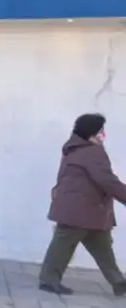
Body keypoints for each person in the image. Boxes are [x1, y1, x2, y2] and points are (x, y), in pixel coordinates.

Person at [39, 113, 126, 296]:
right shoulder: (92, 152)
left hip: (83, 209)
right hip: (81, 210)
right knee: (63, 246)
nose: (104, 135)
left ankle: (119, 283)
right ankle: (48, 280)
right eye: (101, 131)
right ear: (91, 133)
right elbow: (107, 180)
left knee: (102, 249)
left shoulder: (73, 148)